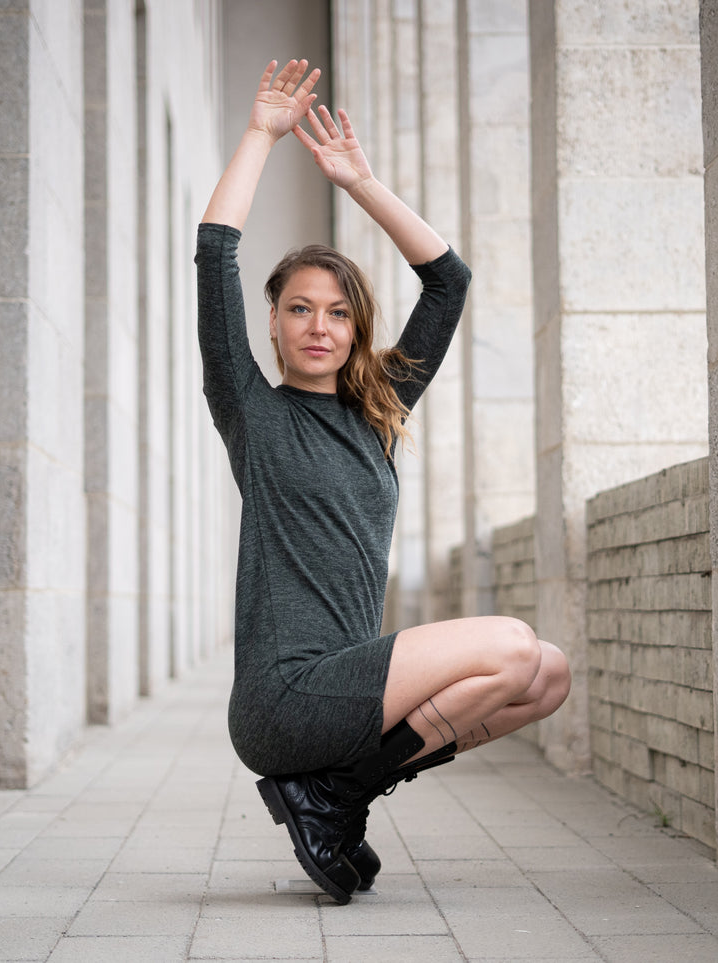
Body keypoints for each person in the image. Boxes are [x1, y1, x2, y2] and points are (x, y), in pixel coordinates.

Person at [196, 59, 570, 904]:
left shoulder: (379, 407)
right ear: (274, 323)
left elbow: (449, 282)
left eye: (336, 311)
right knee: (510, 641)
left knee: (545, 673)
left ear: (357, 327)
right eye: (298, 308)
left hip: (349, 681)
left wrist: (358, 182)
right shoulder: (251, 410)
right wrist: (261, 134)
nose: (318, 326)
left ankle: (336, 795)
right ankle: (328, 794)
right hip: (284, 692)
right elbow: (215, 251)